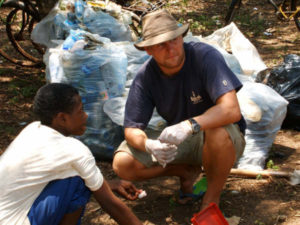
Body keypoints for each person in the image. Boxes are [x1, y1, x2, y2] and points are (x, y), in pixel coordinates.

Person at [112, 9, 246, 210]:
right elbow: (131, 128)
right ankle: (184, 171)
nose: (171, 48)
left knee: (216, 131)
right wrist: (149, 145)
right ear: (148, 50)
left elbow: (231, 110)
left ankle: (211, 201)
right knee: (122, 163)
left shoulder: (204, 56)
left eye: (174, 40)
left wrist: (189, 125)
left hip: (222, 137)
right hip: (181, 139)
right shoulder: (145, 77)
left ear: (182, 37)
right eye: (161, 45)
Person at [0, 83, 142, 225]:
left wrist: (110, 185)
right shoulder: (74, 150)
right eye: (80, 111)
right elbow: (110, 203)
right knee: (79, 182)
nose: (85, 116)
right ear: (62, 118)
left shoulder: (31, 130)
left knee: (80, 176)